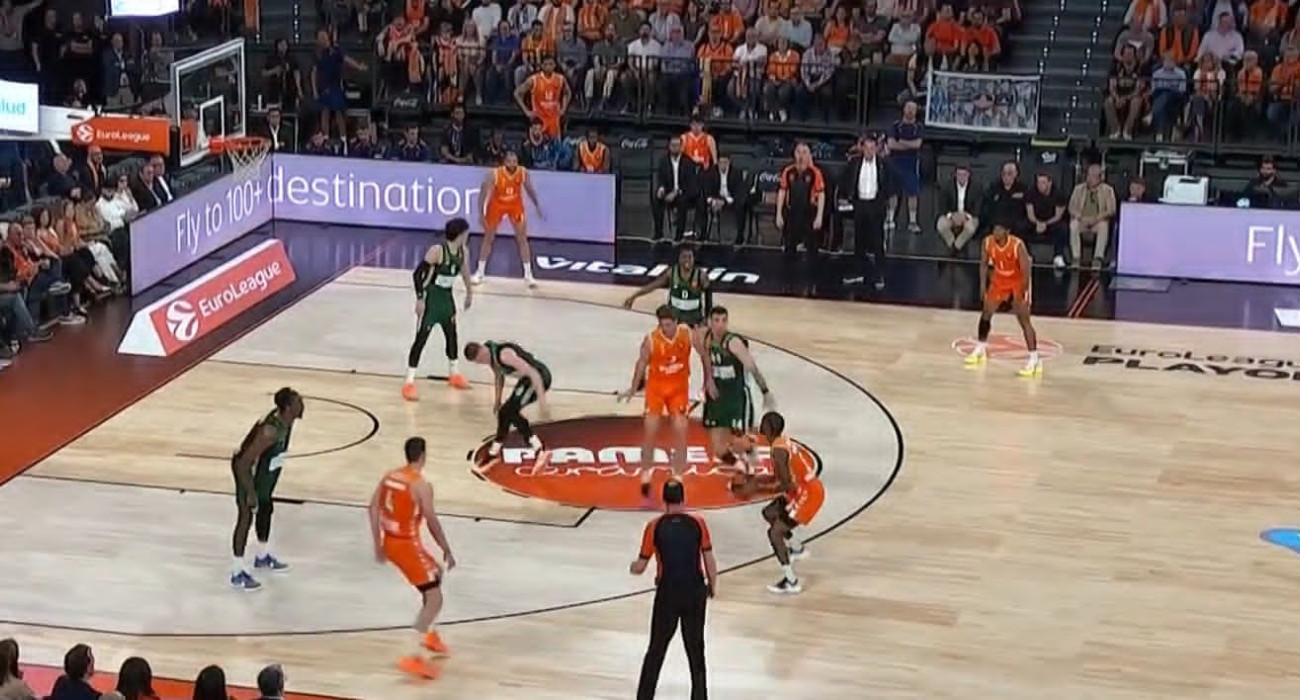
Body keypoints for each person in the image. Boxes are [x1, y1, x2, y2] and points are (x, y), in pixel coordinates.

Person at [369, 437, 456, 679]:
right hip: (406, 545)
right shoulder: (421, 485)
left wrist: (378, 543)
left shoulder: (390, 477)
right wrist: (446, 548)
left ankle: (430, 634)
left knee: (435, 574)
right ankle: (412, 655)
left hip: (392, 541)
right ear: (423, 456)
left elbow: (373, 508)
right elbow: (431, 520)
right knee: (435, 599)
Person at [630, 479, 716, 700]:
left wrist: (632, 567)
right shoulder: (698, 523)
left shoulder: (654, 526)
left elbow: (640, 567)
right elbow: (708, 557)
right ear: (683, 498)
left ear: (664, 500)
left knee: (656, 650)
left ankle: (644, 697)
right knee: (696, 650)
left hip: (668, 594)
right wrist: (712, 586)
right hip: (695, 591)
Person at [619, 305, 714, 498]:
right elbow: (641, 364)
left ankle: (677, 473)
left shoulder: (688, 335)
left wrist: (708, 381)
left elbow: (705, 356)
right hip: (656, 390)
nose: (666, 329)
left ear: (677, 323)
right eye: (663, 325)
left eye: (669, 325)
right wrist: (633, 387)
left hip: (678, 390)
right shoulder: (651, 340)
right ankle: (646, 472)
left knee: (680, 429)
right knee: (650, 430)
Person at [735, 411, 820, 594]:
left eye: (764, 423)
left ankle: (791, 581)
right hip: (803, 489)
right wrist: (757, 482)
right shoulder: (781, 443)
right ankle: (797, 548)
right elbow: (779, 477)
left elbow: (786, 485)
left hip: (807, 494)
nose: (761, 426)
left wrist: (757, 490)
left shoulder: (779, 451)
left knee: (775, 534)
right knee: (769, 513)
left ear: (769, 428)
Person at [229, 387, 305, 591]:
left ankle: (262, 556)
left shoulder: (286, 421)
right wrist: (250, 492)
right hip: (246, 472)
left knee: (266, 509)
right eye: (298, 402)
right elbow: (243, 463)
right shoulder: (270, 431)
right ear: (288, 408)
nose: (302, 405)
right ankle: (237, 572)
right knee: (245, 517)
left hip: (265, 472)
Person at [403, 218, 474, 400]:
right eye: (466, 233)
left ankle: (454, 374)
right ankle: (409, 382)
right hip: (431, 299)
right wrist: (420, 298)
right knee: (421, 339)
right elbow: (418, 274)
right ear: (460, 234)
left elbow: (464, 271)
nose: (468, 236)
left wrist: (469, 292)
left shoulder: (463, 251)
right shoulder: (437, 251)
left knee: (452, 336)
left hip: (446, 299)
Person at [963, 224, 1042, 377]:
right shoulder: (987, 242)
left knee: (1024, 320)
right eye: (994, 229)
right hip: (999, 280)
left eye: (999, 230)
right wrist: (982, 286)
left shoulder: (1017, 245)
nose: (996, 232)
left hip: (1017, 281)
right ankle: (980, 349)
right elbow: (984, 264)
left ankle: (1035, 360)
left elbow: (1026, 271)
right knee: (986, 313)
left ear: (1007, 231)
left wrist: (1021, 293)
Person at [701, 306, 774, 468]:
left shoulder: (733, 342)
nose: (720, 325)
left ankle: (752, 458)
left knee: (740, 443)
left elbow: (752, 367)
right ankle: (741, 466)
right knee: (718, 450)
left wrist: (765, 391)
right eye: (716, 320)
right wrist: (708, 381)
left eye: (724, 321)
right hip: (717, 397)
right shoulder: (706, 338)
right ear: (710, 322)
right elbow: (706, 358)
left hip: (736, 397)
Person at [464, 340, 552, 467]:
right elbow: (499, 377)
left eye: (480, 360)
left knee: (511, 410)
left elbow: (533, 373)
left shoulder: (504, 355)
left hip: (539, 377)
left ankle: (540, 449)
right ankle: (494, 451)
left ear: (482, 352)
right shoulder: (491, 357)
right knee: (504, 412)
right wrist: (497, 401)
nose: (482, 363)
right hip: (527, 380)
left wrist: (542, 402)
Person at [471, 150, 545, 287]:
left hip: (515, 205)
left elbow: (529, 189)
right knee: (488, 237)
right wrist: (481, 215)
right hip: (497, 205)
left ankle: (528, 275)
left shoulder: (523, 172)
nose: (513, 164)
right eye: (510, 161)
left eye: (515, 161)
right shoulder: (494, 174)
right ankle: (479, 272)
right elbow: (482, 194)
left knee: (522, 238)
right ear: (504, 162)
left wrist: (537, 205)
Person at [775, 142, 827, 257]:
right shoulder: (788, 171)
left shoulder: (815, 172)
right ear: (794, 154)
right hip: (792, 213)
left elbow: (821, 194)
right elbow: (782, 191)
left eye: (804, 152)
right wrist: (778, 214)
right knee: (789, 248)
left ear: (809, 155)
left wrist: (819, 216)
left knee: (812, 250)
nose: (801, 156)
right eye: (798, 152)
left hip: (809, 213)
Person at [514, 55, 570, 138]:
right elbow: (517, 93)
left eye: (550, 64)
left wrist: (563, 109)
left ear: (554, 65)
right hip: (539, 120)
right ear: (542, 66)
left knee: (555, 144)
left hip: (554, 120)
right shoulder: (534, 79)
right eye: (546, 64)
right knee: (539, 143)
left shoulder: (560, 79)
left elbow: (567, 93)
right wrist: (526, 111)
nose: (548, 67)